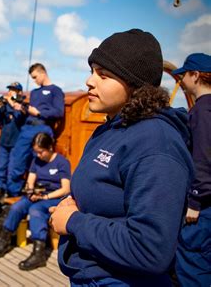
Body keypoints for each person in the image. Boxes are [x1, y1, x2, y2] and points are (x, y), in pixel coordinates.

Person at [50, 29, 194, 286]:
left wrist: (74, 222)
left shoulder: (156, 143)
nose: (89, 81)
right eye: (92, 71)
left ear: (134, 86)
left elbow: (150, 249)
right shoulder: (109, 129)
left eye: (103, 75)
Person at [0, 132, 71, 271]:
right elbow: (30, 181)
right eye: (36, 152)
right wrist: (30, 192)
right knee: (17, 207)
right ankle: (4, 240)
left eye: (41, 152)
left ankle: (38, 253)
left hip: (54, 197)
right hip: (38, 194)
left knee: (36, 210)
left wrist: (45, 197)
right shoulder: (36, 161)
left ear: (50, 147)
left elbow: (65, 189)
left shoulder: (62, 162)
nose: (38, 155)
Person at [172, 53, 211, 287]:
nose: (180, 81)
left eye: (183, 75)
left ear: (195, 76)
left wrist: (195, 202)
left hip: (203, 209)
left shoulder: (201, 112)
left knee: (193, 268)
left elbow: (203, 159)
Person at [7, 63, 64, 196]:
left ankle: (35, 193)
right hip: (27, 128)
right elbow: (29, 111)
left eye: (35, 77)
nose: (34, 80)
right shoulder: (34, 93)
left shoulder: (56, 91)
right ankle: (13, 193)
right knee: (18, 160)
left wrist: (39, 113)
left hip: (43, 127)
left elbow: (59, 112)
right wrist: (22, 109)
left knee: (38, 161)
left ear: (43, 73)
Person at [0, 82, 27, 202]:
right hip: (4, 142)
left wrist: (13, 104)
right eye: (10, 89)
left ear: (20, 92)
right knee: (1, 168)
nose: (11, 92)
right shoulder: (4, 106)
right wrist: (0, 108)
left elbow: (19, 119)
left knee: (12, 170)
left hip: (16, 144)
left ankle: (10, 194)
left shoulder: (22, 107)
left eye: (14, 90)